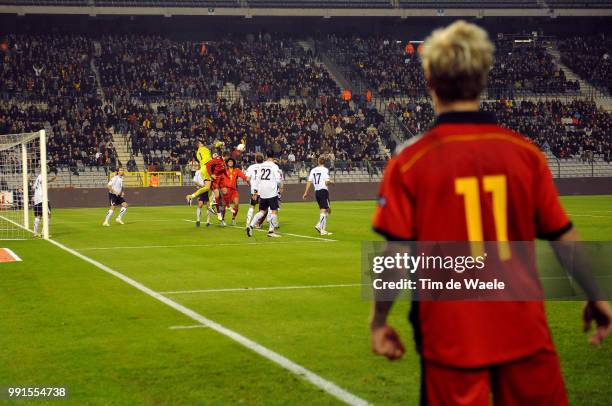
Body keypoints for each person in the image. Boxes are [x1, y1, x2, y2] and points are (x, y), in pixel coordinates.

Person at [370, 20, 611, 405]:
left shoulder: (410, 162)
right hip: (523, 329)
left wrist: (380, 321)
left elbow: (396, 253)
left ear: (429, 80)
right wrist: (596, 294)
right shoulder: (524, 154)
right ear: (483, 80)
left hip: (450, 335)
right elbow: (563, 234)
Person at [246, 150, 282, 238]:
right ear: (273, 156)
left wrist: (255, 191)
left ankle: (251, 225)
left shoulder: (261, 166)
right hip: (271, 191)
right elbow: (278, 180)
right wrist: (279, 188)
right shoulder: (274, 166)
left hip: (262, 192)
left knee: (262, 211)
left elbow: (257, 179)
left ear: (266, 156)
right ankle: (271, 231)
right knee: (274, 210)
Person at [302, 156, 334, 236]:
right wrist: (332, 183)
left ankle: (319, 225)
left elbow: (309, 181)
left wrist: (306, 192)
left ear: (318, 162)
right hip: (323, 191)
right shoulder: (325, 170)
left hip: (317, 192)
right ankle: (322, 230)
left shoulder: (313, 170)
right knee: (324, 210)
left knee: (328, 210)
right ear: (325, 162)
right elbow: (327, 182)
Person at [224, 158, 248, 226]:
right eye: (229, 161)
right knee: (224, 206)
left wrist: (246, 178)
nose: (230, 162)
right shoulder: (224, 171)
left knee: (236, 204)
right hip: (226, 190)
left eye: (231, 161)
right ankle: (222, 220)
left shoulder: (237, 170)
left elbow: (243, 176)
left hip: (234, 190)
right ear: (227, 163)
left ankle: (233, 218)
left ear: (233, 163)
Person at [186, 140, 212, 205]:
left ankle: (191, 196)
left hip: (203, 169)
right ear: (198, 145)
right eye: (201, 143)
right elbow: (208, 157)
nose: (202, 143)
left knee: (208, 187)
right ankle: (213, 203)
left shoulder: (198, 153)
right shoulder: (203, 149)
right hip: (207, 167)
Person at [245, 153, 264, 226]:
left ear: (255, 160)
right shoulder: (265, 166)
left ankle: (247, 224)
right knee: (263, 208)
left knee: (252, 206)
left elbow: (247, 179)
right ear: (263, 159)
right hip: (263, 190)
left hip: (255, 190)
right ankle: (259, 223)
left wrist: (249, 183)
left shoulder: (251, 167)